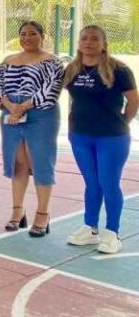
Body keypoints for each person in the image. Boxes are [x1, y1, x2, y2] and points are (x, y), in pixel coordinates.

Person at [64, 25, 139, 254]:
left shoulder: (119, 69)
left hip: (111, 137)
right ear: (79, 43)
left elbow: (134, 101)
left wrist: (123, 121)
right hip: (80, 136)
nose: (88, 42)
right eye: (84, 38)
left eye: (95, 39)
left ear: (104, 44)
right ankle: (91, 228)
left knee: (109, 183)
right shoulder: (72, 69)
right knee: (92, 183)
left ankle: (112, 233)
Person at [0, 21, 63, 237]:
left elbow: (51, 90)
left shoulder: (53, 62)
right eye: (23, 34)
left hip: (41, 115)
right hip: (10, 115)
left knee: (40, 162)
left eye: (33, 34)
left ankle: (42, 214)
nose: (27, 38)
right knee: (18, 163)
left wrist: (23, 107)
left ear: (42, 36)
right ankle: (18, 211)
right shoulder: (8, 61)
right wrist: (10, 107)